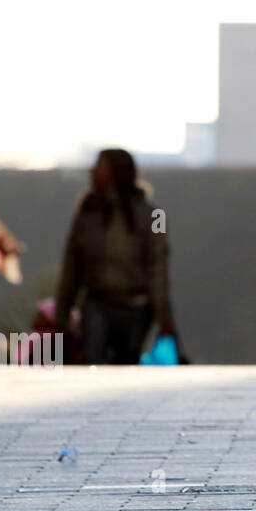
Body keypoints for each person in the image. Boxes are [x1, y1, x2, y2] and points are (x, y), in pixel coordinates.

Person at [54, 149, 175, 364]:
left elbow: (158, 267)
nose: (92, 171)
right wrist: (61, 316)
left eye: (100, 166)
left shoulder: (154, 215)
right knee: (92, 362)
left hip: (136, 308)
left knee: (127, 365)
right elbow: (72, 265)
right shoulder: (87, 213)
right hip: (98, 303)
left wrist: (164, 317)